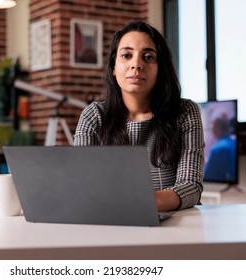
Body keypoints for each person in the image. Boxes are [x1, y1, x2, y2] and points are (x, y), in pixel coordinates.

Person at [73, 21, 204, 212]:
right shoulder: (94, 116)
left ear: (160, 69)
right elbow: (80, 184)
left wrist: (140, 202)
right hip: (111, 223)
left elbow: (191, 186)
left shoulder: (184, 112)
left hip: (174, 227)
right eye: (126, 55)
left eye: (148, 57)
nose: (136, 64)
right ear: (113, 67)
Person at [204, 111, 237, 182]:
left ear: (217, 126)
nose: (210, 127)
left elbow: (207, 176)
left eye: (211, 124)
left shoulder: (218, 149)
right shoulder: (234, 142)